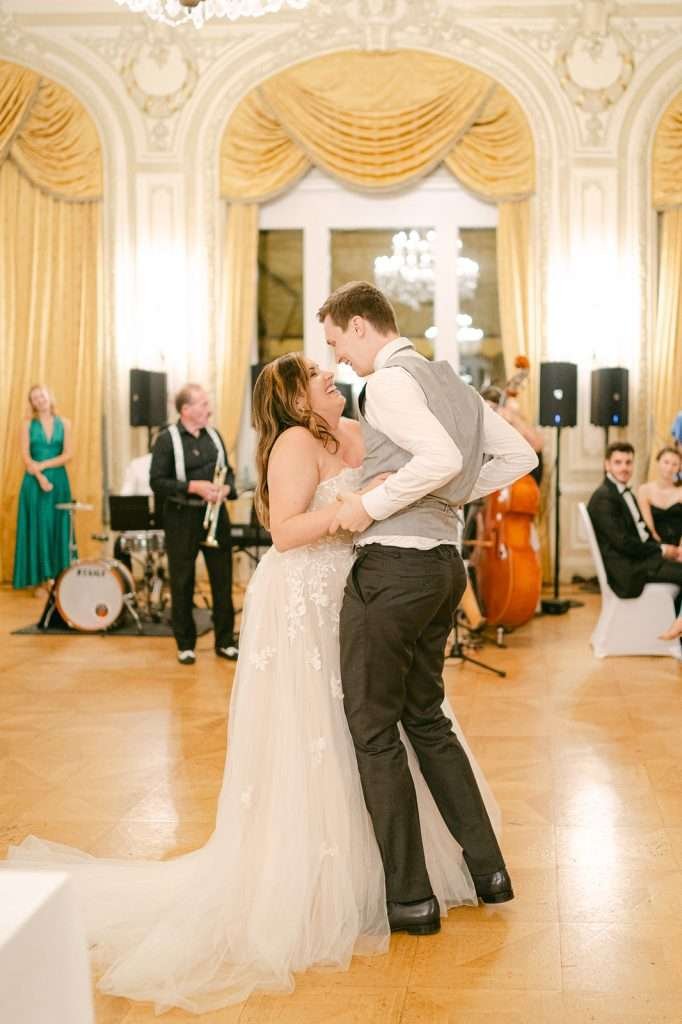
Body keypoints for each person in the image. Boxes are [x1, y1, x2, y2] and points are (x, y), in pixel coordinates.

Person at [5, 353, 500, 1012]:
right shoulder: (293, 443)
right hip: (306, 594)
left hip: (361, 588)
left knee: (373, 721)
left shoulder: (359, 429)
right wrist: (349, 510)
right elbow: (285, 531)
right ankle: (331, 876)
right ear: (295, 399)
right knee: (324, 727)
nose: (329, 375)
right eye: (315, 374)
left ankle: (398, 867)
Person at [319, 281, 538, 936]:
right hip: (443, 569)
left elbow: (439, 458)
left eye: (336, 342)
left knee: (373, 727)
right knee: (426, 718)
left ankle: (412, 900)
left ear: (362, 326)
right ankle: (488, 872)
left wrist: (370, 505)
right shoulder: (451, 381)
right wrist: (451, 496)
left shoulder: (386, 383)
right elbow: (519, 455)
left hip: (394, 569)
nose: (337, 358)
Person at [150, 384, 238, 664]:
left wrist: (226, 489)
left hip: (216, 515)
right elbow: (157, 482)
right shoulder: (167, 440)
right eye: (203, 404)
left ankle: (225, 641)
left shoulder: (214, 435)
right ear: (185, 409)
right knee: (182, 581)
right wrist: (193, 487)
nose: (208, 409)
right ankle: (185, 644)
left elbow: (228, 473)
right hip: (181, 517)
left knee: (222, 580)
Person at [587, 441, 682, 635]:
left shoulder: (619, 492)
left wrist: (666, 551)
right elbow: (623, 543)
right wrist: (661, 550)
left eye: (628, 462)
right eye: (618, 462)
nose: (624, 468)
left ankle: (676, 627)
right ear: (607, 465)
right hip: (628, 571)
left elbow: (640, 534)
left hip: (637, 560)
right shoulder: (604, 498)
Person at [12, 385, 73, 589]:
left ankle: (60, 577)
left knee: (58, 525)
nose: (39, 400)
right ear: (32, 403)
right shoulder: (27, 425)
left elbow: (68, 454)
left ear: (49, 396)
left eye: (42, 395)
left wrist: (44, 465)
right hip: (33, 482)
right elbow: (26, 456)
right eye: (34, 398)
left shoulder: (65, 423)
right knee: (39, 526)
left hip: (59, 482)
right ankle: (40, 579)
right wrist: (40, 477)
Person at [637, 447, 682, 546]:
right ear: (658, 462)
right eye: (666, 462)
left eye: (675, 464)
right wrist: (663, 548)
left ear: (679, 468)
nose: (669, 468)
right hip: (653, 545)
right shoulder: (644, 490)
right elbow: (649, 528)